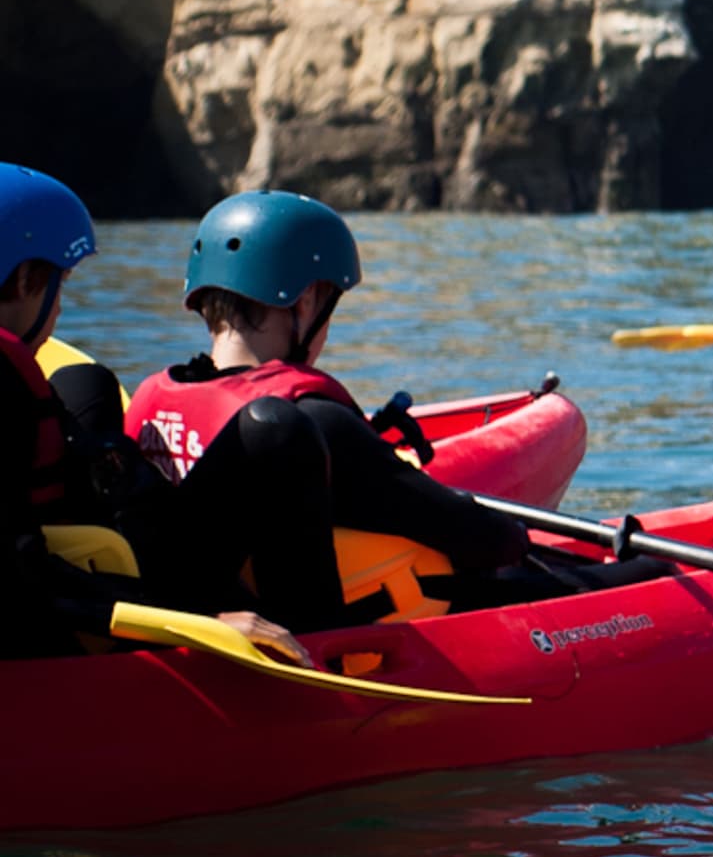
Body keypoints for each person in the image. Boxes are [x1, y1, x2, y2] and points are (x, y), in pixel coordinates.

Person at [123, 191, 586, 631]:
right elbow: (474, 537)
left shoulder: (149, 401)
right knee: (628, 574)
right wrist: (515, 536)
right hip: (339, 647)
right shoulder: (311, 420)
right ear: (305, 303)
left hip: (193, 617)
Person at [0, 165, 303, 661]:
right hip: (45, 648)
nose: (58, 314)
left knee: (86, 385)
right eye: (60, 285)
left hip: (71, 588)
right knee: (279, 433)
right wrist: (191, 620)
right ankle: (324, 643)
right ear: (24, 277)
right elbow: (19, 577)